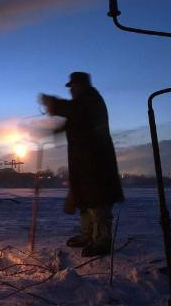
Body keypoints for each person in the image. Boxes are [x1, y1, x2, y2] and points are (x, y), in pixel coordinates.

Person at [39, 72, 124, 257]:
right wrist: (52, 131)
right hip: (84, 160)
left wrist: (53, 103)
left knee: (98, 200)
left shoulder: (91, 100)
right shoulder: (82, 103)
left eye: (73, 86)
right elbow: (73, 120)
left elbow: (75, 111)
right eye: (70, 87)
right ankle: (87, 236)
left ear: (82, 85)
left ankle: (102, 241)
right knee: (85, 199)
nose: (71, 90)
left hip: (97, 160)